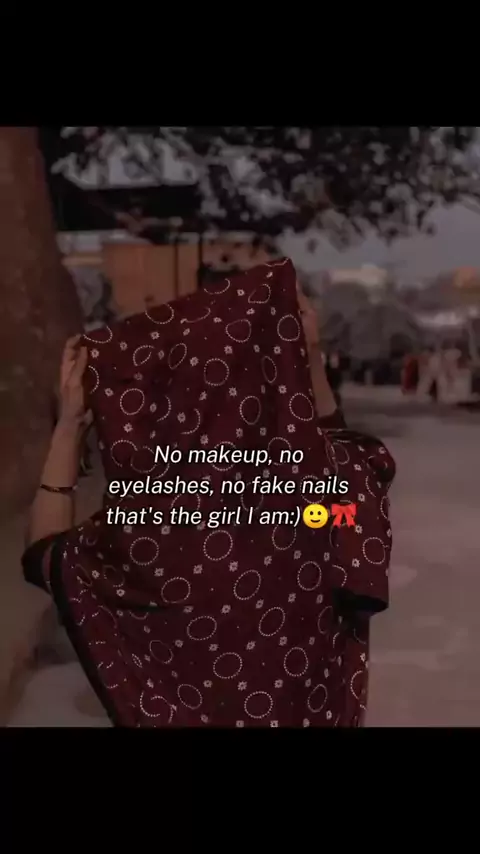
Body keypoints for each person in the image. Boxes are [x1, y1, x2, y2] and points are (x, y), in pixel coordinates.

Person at [22, 259, 395, 728]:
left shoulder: (146, 530)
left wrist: (69, 429)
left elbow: (46, 555)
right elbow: (353, 464)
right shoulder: (316, 501)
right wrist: (310, 360)